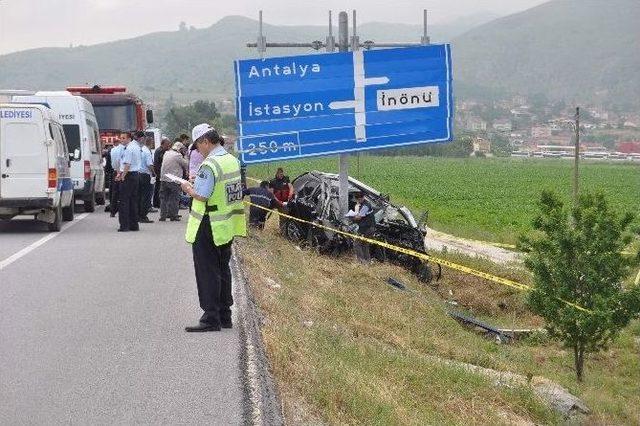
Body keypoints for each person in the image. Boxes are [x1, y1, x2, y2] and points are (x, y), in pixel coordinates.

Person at [180, 123, 247, 332]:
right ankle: (224, 314)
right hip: (226, 223)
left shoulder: (210, 165)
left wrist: (187, 187)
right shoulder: (231, 160)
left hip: (208, 223)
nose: (198, 151)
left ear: (205, 142)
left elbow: (202, 194)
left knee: (207, 270)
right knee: (222, 268)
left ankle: (210, 317)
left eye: (198, 147)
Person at [116, 132, 142, 232]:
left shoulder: (129, 148)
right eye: (120, 138)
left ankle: (124, 226)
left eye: (123, 138)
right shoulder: (135, 147)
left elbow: (127, 164)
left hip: (129, 175)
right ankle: (134, 225)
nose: (121, 140)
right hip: (135, 175)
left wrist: (122, 176)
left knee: (124, 202)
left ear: (129, 138)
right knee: (133, 201)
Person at [159, 141, 188, 221]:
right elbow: (186, 164)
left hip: (164, 179)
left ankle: (163, 216)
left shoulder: (167, 153)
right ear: (180, 149)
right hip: (173, 180)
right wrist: (185, 155)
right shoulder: (178, 155)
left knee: (164, 198)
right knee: (174, 198)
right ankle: (173, 215)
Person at [351, 191, 375, 263]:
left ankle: (361, 262)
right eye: (357, 199)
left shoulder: (365, 206)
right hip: (370, 227)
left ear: (362, 198)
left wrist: (351, 217)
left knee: (356, 244)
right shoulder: (366, 204)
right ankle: (367, 262)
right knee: (365, 245)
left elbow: (358, 217)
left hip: (366, 229)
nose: (358, 201)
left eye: (358, 199)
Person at [137, 132, 155, 223]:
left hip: (139, 174)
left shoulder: (141, 149)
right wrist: (154, 173)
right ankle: (143, 216)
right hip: (146, 175)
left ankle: (138, 215)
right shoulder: (147, 151)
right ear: (150, 143)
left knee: (140, 196)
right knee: (147, 196)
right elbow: (150, 165)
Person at [108, 135, 126, 217]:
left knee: (115, 192)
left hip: (116, 171)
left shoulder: (113, 150)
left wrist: (117, 171)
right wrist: (120, 172)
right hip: (123, 172)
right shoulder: (125, 150)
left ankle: (113, 211)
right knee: (124, 192)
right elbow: (121, 161)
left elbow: (114, 162)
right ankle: (123, 210)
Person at [153, 138, 171, 208]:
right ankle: (158, 203)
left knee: (158, 188)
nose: (168, 146)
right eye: (167, 145)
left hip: (159, 171)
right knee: (159, 188)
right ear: (163, 144)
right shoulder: (160, 151)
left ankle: (156, 203)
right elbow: (161, 160)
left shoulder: (160, 150)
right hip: (159, 172)